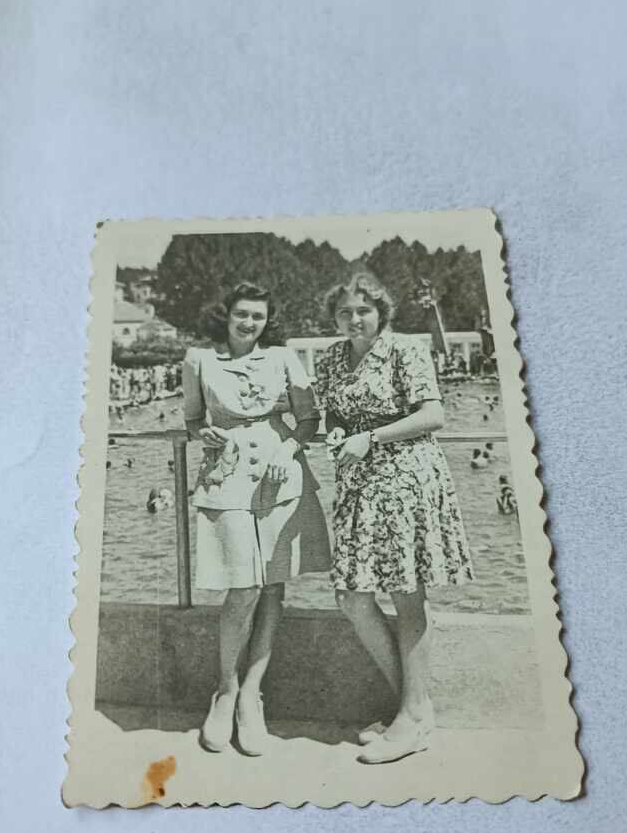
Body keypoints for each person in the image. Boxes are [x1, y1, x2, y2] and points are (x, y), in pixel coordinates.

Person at [315, 269, 473, 765]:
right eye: (345, 311)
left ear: (381, 311)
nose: (354, 318)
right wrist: (338, 433)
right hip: (359, 483)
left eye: (363, 309)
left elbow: (433, 414)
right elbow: (335, 416)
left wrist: (373, 438)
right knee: (352, 598)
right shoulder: (331, 358)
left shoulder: (405, 348)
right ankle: (417, 706)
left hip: (407, 477)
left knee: (407, 594)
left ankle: (410, 717)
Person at [182, 282, 331, 757]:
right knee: (242, 587)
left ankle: (252, 694)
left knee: (273, 584)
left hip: (279, 473)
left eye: (258, 317)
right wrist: (201, 431)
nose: (250, 323)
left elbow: (309, 420)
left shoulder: (284, 358)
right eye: (242, 314)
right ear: (225, 316)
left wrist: (287, 450)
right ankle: (224, 692)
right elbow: (190, 419)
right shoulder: (198, 360)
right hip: (226, 475)